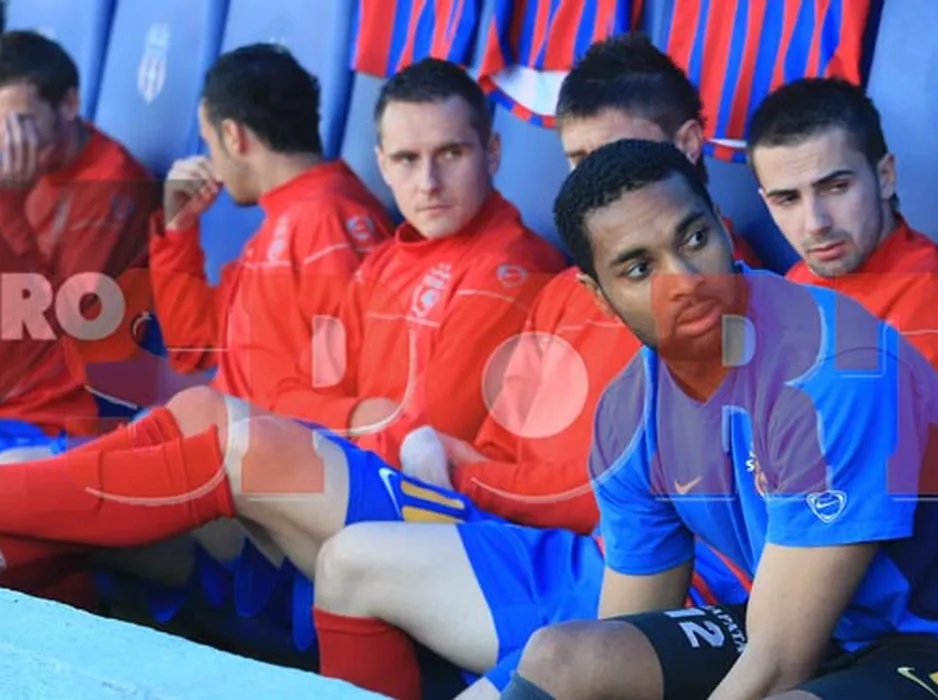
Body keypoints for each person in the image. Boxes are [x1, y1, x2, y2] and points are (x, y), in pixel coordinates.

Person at [0, 55, 563, 667]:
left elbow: (418, 433)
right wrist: (180, 234)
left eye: (451, 153)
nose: (428, 181)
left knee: (209, 435)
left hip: (349, 497)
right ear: (383, 163)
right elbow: (227, 360)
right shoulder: (377, 252)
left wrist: (305, 412)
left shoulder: (351, 228)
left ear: (492, 153)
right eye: (406, 159)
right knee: (156, 438)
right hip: (266, 466)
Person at [496, 139, 938, 700]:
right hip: (828, 632)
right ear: (598, 296)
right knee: (566, 659)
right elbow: (628, 627)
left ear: (722, 225)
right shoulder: (628, 414)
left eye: (694, 238)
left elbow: (778, 664)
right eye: (640, 269)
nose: (685, 281)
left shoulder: (837, 367)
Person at [307, 34, 759, 700]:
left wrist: (467, 473)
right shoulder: (568, 291)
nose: (596, 183)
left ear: (688, 144)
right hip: (534, 541)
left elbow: (611, 500)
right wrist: (470, 477)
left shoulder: (714, 299)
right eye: (577, 160)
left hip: (633, 574)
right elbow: (501, 446)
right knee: (344, 555)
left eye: (615, 155)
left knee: (269, 470)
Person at [0, 30, 158, 612]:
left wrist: (8, 205)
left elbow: (59, 323)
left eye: (19, 122)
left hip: (68, 411)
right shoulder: (22, 170)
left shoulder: (111, 183)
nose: (9, 142)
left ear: (68, 104)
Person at [149, 43, 392, 417]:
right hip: (229, 435)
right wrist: (178, 228)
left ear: (233, 136)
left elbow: (357, 393)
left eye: (209, 142)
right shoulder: (284, 221)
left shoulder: (329, 222)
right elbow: (193, 346)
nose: (211, 160)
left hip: (259, 447)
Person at [748, 78, 938, 422]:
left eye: (836, 187)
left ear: (885, 176)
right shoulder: (798, 280)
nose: (814, 223)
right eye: (787, 199)